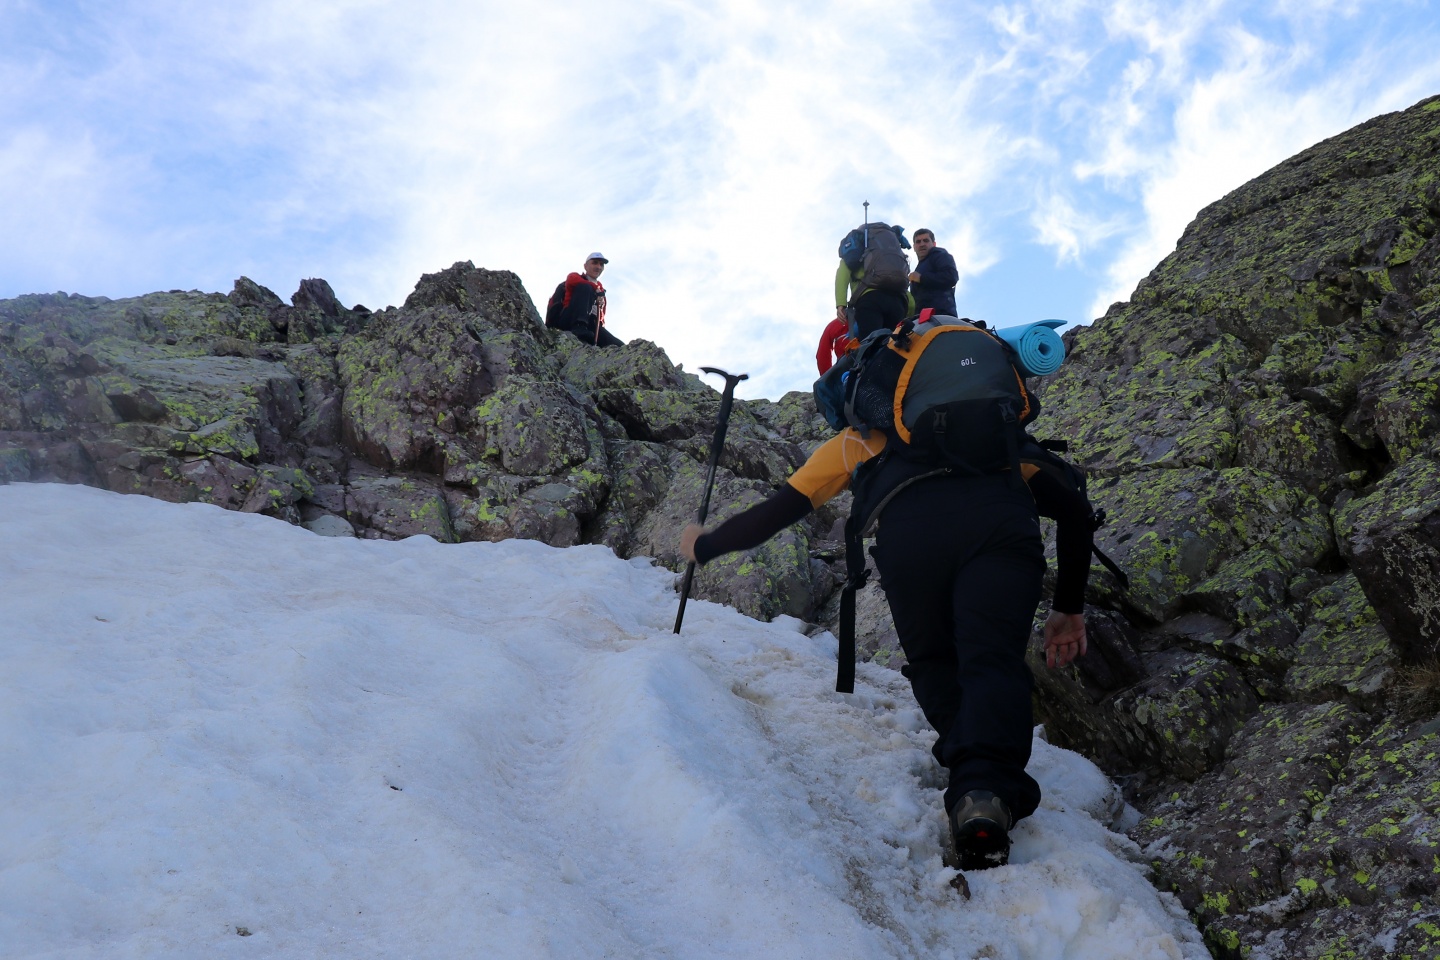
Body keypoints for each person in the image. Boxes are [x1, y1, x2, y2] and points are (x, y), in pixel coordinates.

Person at [678, 359, 1092, 870]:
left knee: (936, 661)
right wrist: (1069, 608)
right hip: (1001, 527)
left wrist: (707, 546)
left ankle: (974, 786)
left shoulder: (856, 444)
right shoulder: (990, 434)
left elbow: (779, 511)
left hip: (911, 539)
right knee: (993, 657)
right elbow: (1073, 508)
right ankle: (984, 788)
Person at [553, 253, 623, 348]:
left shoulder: (601, 293)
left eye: (601, 265)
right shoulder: (575, 278)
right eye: (595, 263)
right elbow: (572, 280)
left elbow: (601, 317)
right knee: (586, 287)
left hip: (591, 325)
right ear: (585, 266)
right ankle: (579, 325)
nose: (598, 267)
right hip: (569, 318)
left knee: (620, 346)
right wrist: (596, 290)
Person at [908, 229, 959, 317]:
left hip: (941, 314)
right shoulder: (920, 267)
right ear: (914, 247)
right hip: (923, 318)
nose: (922, 244)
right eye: (918, 242)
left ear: (934, 244)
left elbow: (951, 277)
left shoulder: (940, 255)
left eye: (926, 240)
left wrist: (921, 278)